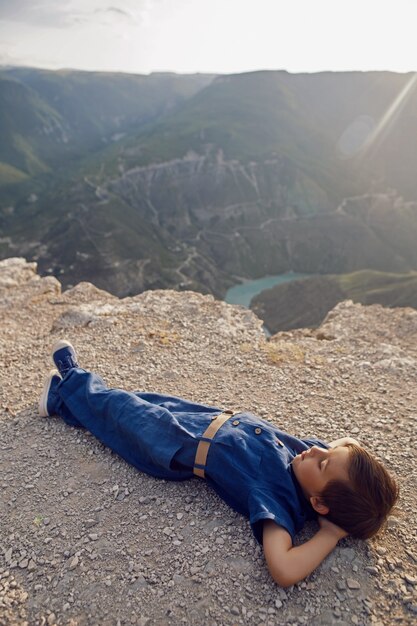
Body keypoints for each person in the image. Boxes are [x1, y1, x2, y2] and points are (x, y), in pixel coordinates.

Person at [39, 340, 399, 587]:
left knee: (123, 411)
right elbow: (348, 445)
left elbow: (284, 570)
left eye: (324, 464)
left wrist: (331, 533)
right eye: (326, 454)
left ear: (319, 503)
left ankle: (73, 376)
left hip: (176, 444)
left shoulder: (280, 501)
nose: (319, 451)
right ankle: (60, 400)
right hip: (205, 418)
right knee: (136, 401)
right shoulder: (309, 460)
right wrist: (360, 478)